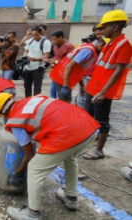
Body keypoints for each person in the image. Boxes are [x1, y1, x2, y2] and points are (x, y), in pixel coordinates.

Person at [0, 93, 100, 220]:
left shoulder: (16, 120)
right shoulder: (33, 100)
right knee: (70, 157)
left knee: (35, 168)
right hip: (88, 126)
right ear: (11, 99)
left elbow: (29, 154)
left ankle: (32, 213)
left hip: (68, 132)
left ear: (3, 113)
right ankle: (70, 197)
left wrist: (18, 172)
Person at [83, 10, 132, 160]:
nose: (101, 30)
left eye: (104, 27)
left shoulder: (124, 45)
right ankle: (83, 144)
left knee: (102, 120)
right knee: (87, 117)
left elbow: (118, 70)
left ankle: (99, 151)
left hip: (103, 91)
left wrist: (103, 91)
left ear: (115, 26)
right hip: (95, 87)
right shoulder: (110, 44)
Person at [49, 31, 97, 103]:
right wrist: (66, 86)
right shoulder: (88, 50)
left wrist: (82, 86)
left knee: (64, 101)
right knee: (64, 102)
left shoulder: (83, 47)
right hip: (62, 77)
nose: (53, 42)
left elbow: (77, 69)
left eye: (54, 40)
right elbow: (69, 66)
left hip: (63, 77)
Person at [76, 38, 106, 108]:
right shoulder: (91, 50)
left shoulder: (95, 51)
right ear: (101, 45)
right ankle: (82, 114)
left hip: (91, 78)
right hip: (86, 77)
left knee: (86, 98)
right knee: (83, 97)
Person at [23, 26, 51, 98]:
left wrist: (35, 59)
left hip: (38, 68)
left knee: (37, 88)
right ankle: (27, 102)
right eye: (33, 35)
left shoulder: (45, 42)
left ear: (41, 33)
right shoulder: (31, 41)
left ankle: (35, 103)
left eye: (36, 35)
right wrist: (25, 56)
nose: (34, 37)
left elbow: (46, 56)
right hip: (28, 67)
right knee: (27, 87)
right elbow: (25, 51)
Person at [48, 30, 75, 101]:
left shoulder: (69, 46)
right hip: (56, 73)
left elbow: (71, 62)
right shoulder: (55, 47)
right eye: (52, 40)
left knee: (63, 96)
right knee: (52, 93)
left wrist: (56, 61)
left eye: (54, 40)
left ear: (60, 38)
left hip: (64, 75)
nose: (53, 42)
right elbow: (56, 57)